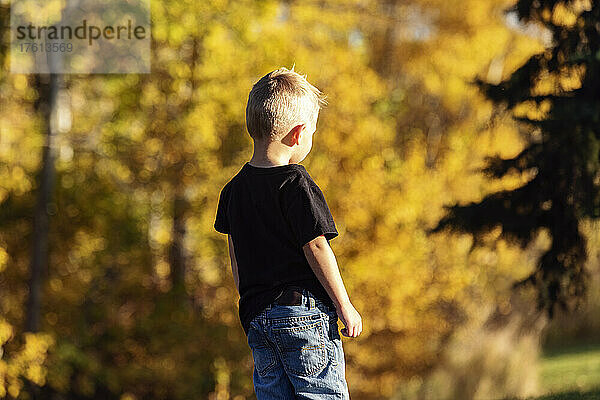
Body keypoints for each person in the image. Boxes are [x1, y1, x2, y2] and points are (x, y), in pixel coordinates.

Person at [214, 66, 362, 399]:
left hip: (258, 317)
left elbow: (235, 254)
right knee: (319, 393)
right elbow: (316, 246)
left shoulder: (233, 191)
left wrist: (249, 302)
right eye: (312, 132)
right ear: (297, 135)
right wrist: (344, 304)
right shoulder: (295, 184)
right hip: (302, 314)